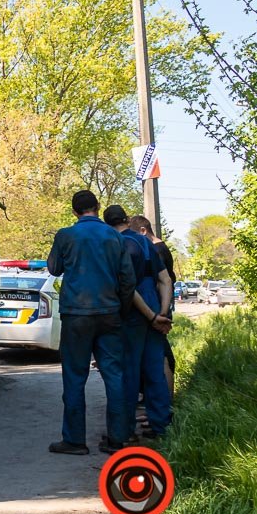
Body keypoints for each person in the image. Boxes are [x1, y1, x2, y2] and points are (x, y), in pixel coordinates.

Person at [46, 191, 171, 455]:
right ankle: (117, 439)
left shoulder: (65, 235)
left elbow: (54, 269)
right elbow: (127, 279)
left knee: (74, 376)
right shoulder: (115, 237)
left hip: (76, 315)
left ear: (74, 212)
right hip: (110, 315)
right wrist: (121, 308)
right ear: (97, 207)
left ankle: (74, 440)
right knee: (114, 375)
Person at [106, 206, 173, 443]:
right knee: (155, 370)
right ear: (126, 220)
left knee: (129, 373)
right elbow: (164, 280)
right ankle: (160, 426)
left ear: (108, 224)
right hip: (155, 307)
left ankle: (125, 431)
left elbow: (128, 288)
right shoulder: (146, 244)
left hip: (134, 314)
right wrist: (162, 313)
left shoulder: (116, 245)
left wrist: (151, 317)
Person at [129, 215, 178, 394]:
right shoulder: (158, 247)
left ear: (143, 231)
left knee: (161, 357)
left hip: (157, 309)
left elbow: (163, 281)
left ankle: (165, 405)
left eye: (134, 234)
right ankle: (158, 405)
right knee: (157, 356)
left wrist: (160, 313)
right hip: (158, 309)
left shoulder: (156, 249)